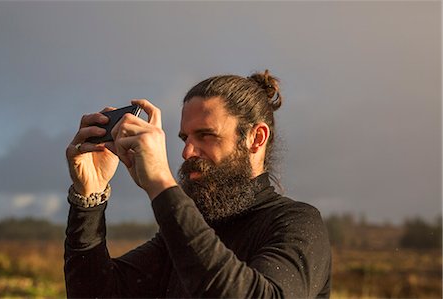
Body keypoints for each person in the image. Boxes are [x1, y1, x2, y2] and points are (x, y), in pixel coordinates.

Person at [64, 70, 332, 298]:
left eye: (206, 135)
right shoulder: (185, 236)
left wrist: (160, 181)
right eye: (185, 138)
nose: (187, 152)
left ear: (256, 138)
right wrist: (90, 198)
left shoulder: (298, 224)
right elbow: (98, 292)